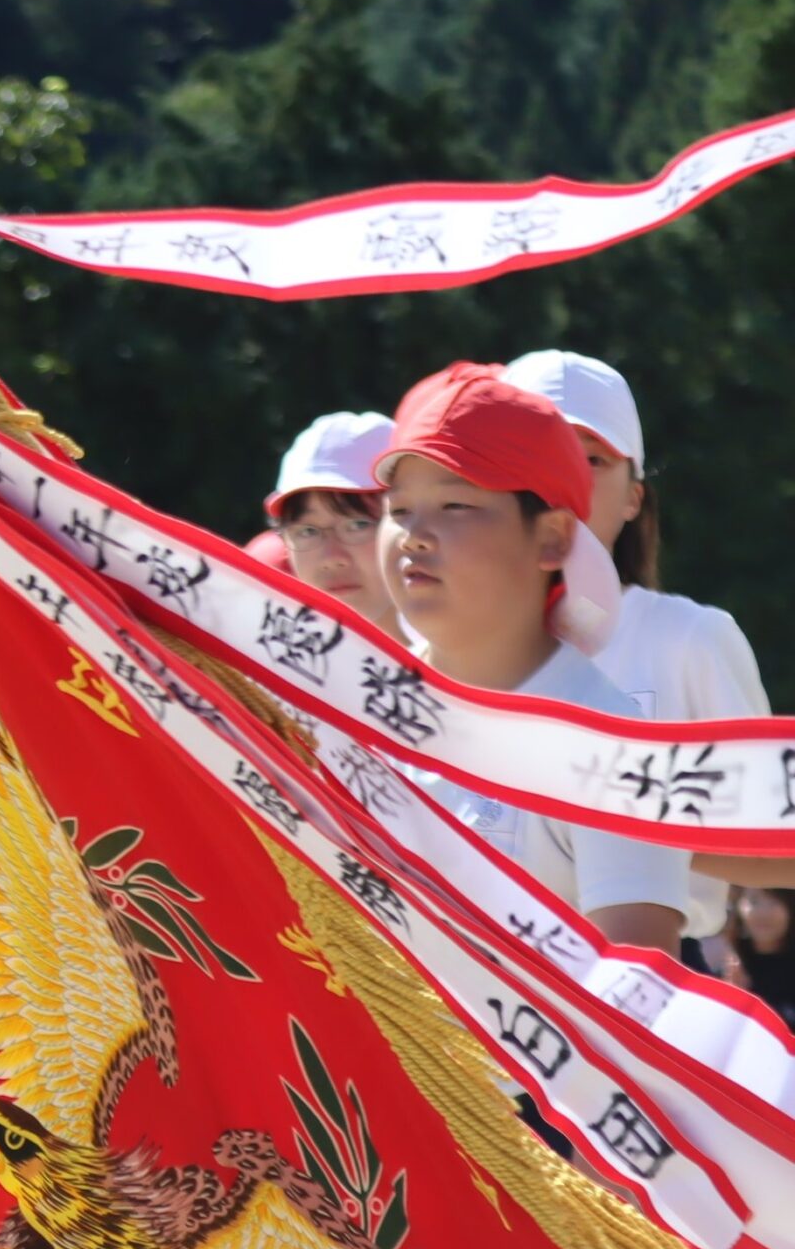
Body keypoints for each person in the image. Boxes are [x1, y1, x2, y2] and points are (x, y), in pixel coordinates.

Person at [375, 363, 691, 956]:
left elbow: (640, 984)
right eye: (399, 510)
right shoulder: (354, 705)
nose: (413, 535)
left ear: (552, 537)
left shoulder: (612, 745)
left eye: (454, 505)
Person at [502, 350, 771, 966]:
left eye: (592, 460)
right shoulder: (443, 651)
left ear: (633, 498)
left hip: (655, 973)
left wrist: (624, 833)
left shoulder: (690, 637)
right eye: (537, 457)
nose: (563, 482)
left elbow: (775, 836)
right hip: (476, 981)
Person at [265, 410, 400, 639]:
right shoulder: (264, 658)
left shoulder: (465, 655)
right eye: (307, 531)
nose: (332, 558)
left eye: (358, 525)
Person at [725, 887, 795, 1031]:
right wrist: (733, 997)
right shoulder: (731, 967)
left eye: (775, 901)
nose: (763, 913)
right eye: (754, 901)